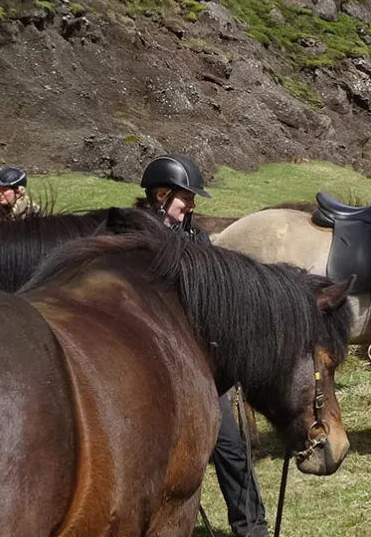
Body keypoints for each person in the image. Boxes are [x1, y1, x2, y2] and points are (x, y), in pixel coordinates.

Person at [137, 155, 268, 537]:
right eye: (186, 198)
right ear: (161, 195)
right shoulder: (133, 242)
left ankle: (253, 528)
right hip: (150, 373)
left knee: (231, 448)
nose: (192, 205)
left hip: (200, 371)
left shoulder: (199, 240)